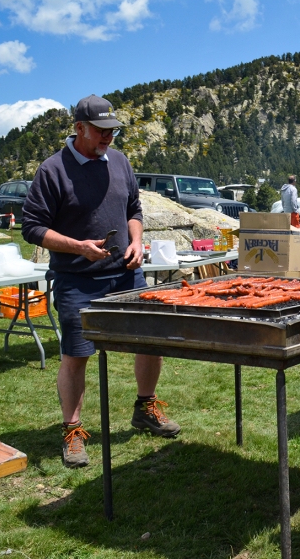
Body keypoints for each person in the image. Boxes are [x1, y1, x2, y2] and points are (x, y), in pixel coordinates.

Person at [22, 94, 180, 469]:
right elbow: (32, 227)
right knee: (77, 356)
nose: (109, 137)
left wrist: (137, 241)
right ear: (79, 128)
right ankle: (72, 431)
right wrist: (76, 246)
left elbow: (133, 210)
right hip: (77, 280)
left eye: (113, 131)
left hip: (126, 273)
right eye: (101, 131)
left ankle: (145, 407)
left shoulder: (121, 162)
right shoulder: (53, 170)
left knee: (150, 340)